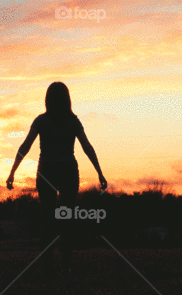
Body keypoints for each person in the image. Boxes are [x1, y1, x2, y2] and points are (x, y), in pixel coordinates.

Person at [6, 82, 107, 276]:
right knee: (66, 218)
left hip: (47, 171)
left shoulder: (41, 121)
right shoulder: (73, 122)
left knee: (48, 219)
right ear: (67, 99)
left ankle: (48, 266)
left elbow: (25, 146)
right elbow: (87, 147)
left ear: (47, 100)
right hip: (68, 171)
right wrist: (99, 172)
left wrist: (12, 172)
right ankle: (65, 265)